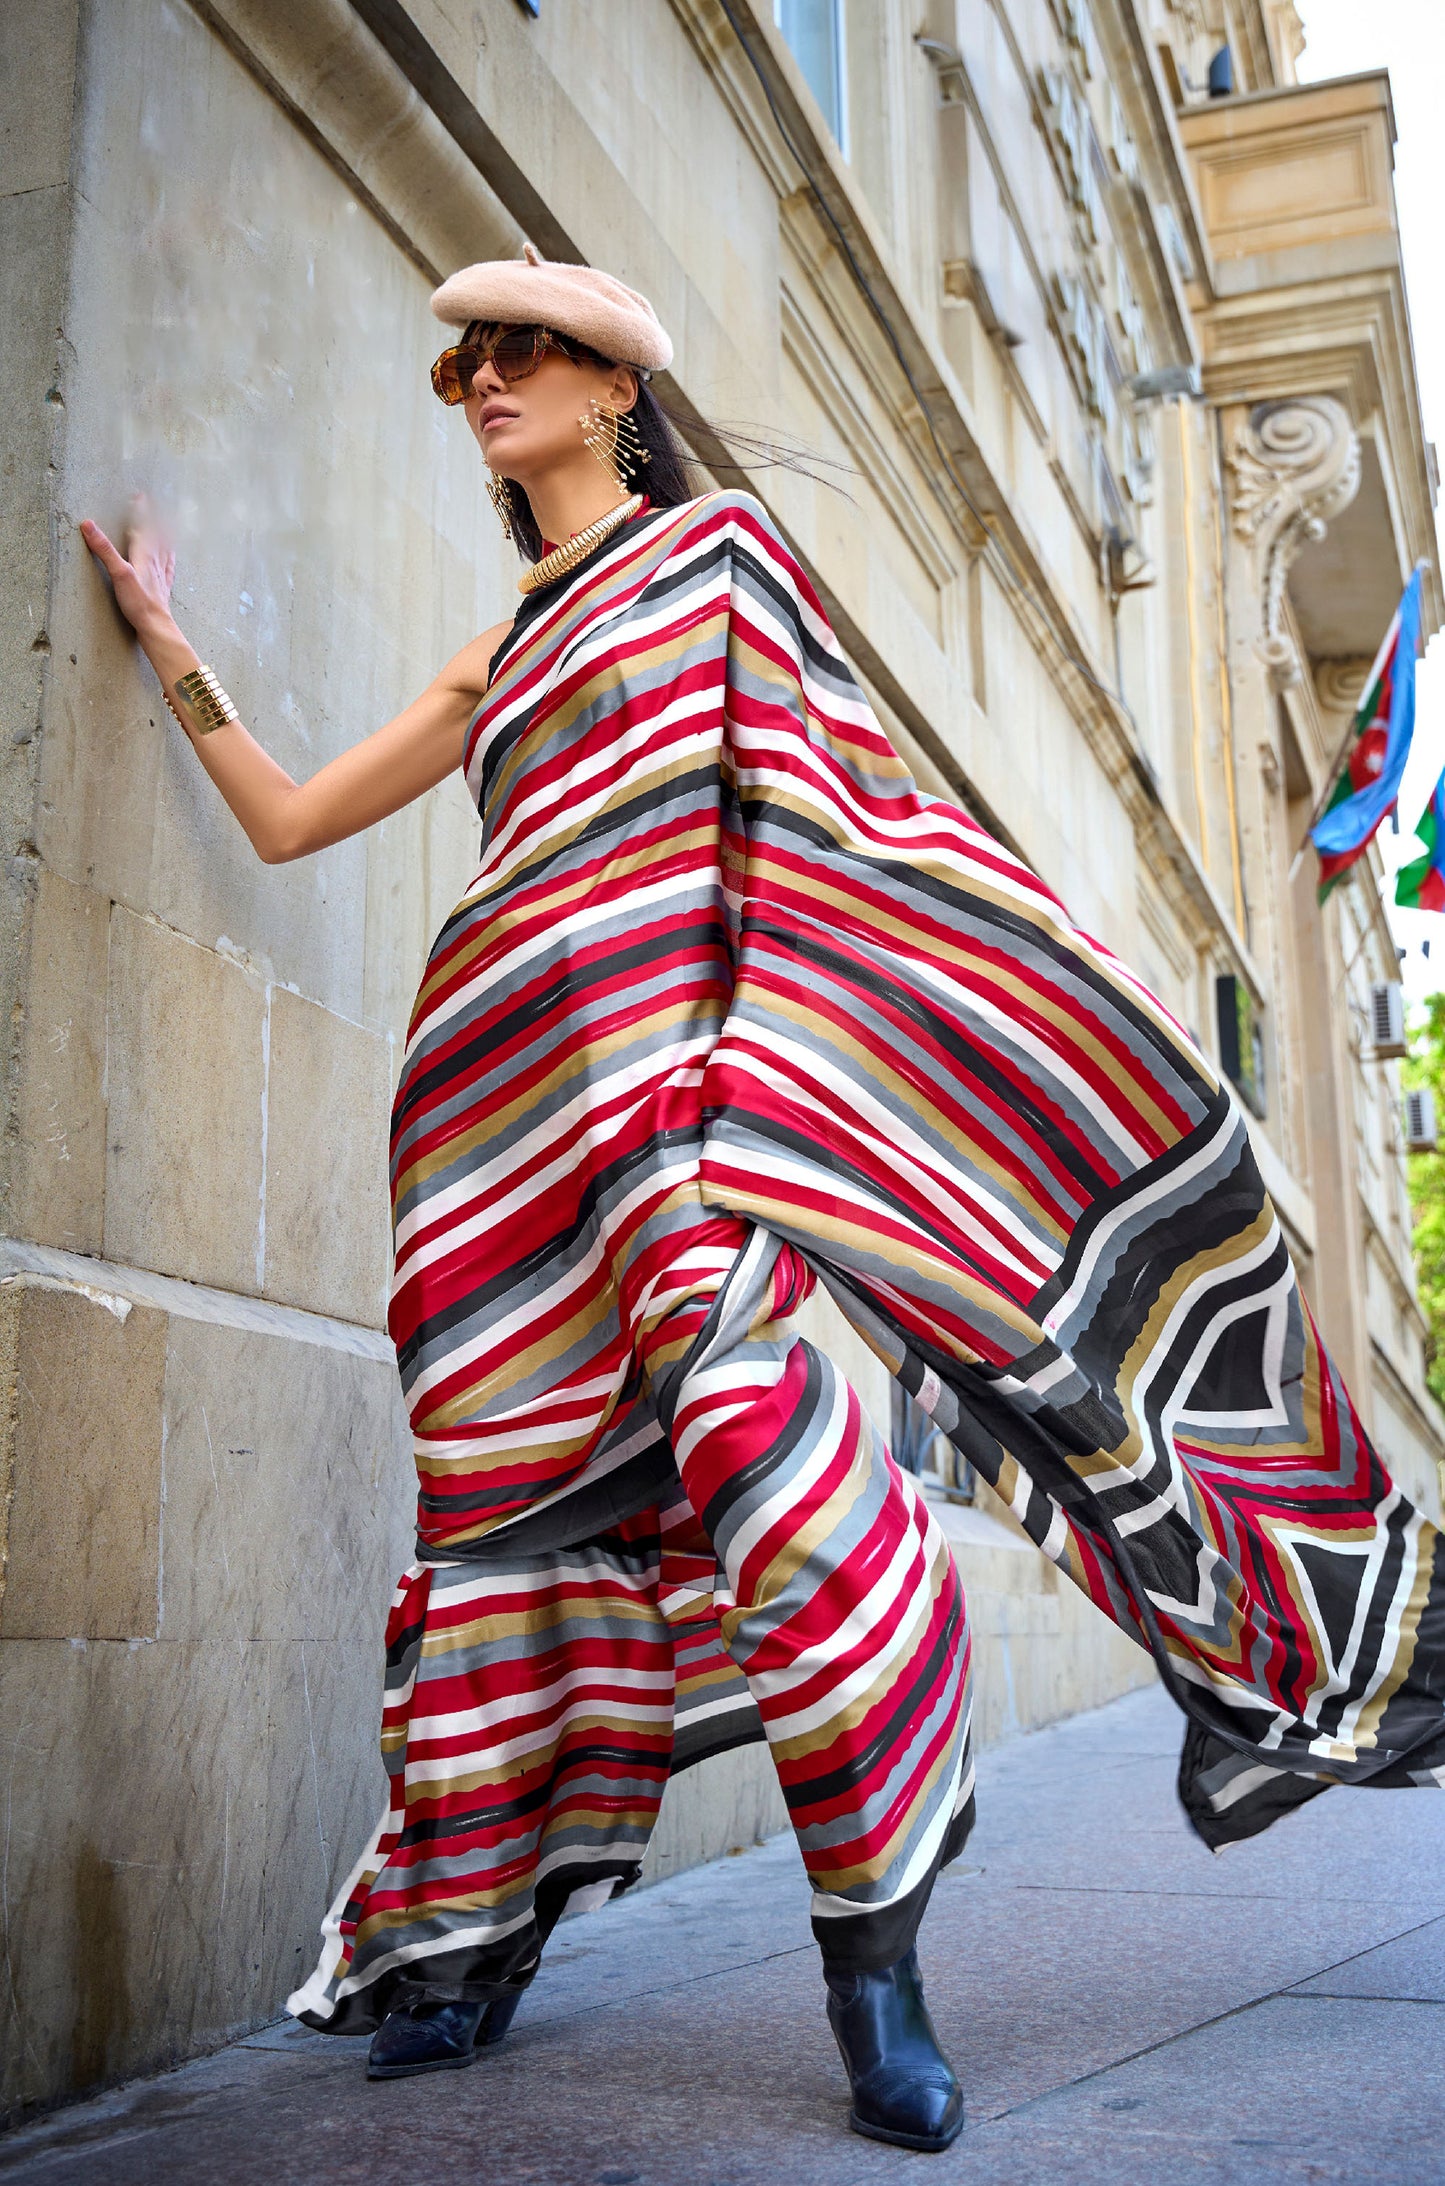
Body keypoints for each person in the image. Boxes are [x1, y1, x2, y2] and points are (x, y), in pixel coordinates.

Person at [82, 246, 1445, 2156]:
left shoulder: (719, 563)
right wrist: (168, 645)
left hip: (670, 1126)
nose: (485, 383)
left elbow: (855, 824)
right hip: (482, 1138)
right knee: (497, 1533)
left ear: (608, 389)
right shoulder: (498, 650)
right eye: (471, 361)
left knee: (786, 1504)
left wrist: (985, 994)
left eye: (525, 356)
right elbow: (296, 813)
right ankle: (466, 1937)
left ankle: (871, 1968)